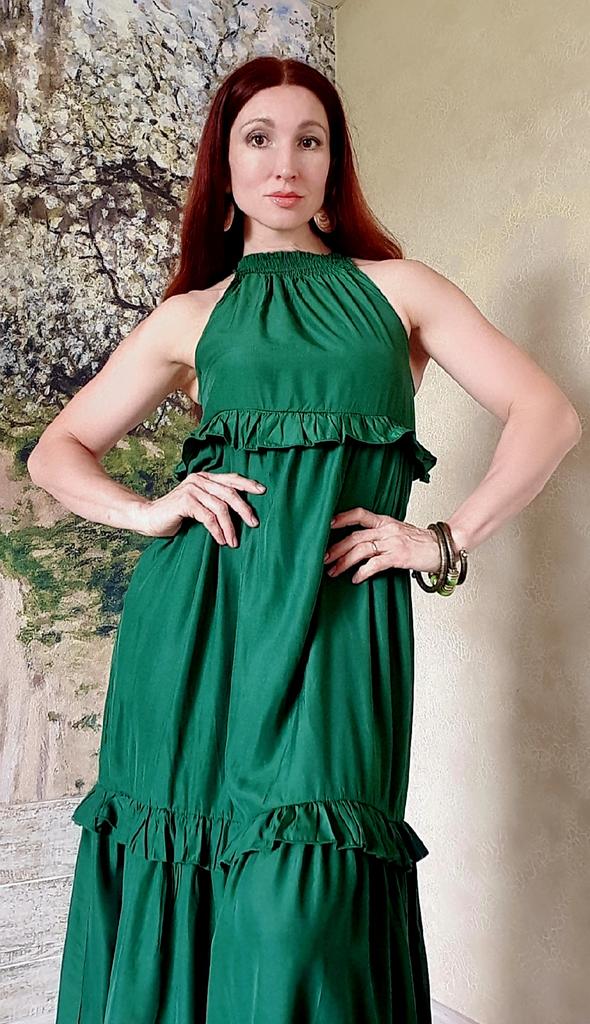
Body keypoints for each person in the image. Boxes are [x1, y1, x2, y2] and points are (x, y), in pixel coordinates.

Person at [28, 55, 580, 1024]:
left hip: (337, 633)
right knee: (190, 872)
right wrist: (149, 511)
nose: (285, 162)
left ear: (334, 163)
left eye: (309, 139)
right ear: (225, 163)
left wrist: (444, 539)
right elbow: (56, 452)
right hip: (199, 632)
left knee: (303, 911)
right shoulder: (191, 317)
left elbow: (546, 415)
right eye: (259, 138)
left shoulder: (399, 291)